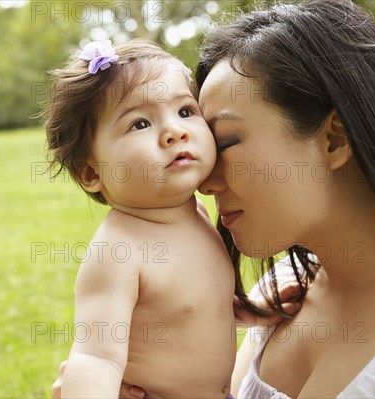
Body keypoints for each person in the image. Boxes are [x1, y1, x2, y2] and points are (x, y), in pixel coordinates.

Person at [52, 0, 375, 397]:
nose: (204, 182)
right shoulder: (286, 287)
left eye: (224, 141)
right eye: (140, 124)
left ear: (334, 138)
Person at [44, 38, 238, 398]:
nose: (175, 132)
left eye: (184, 111)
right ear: (90, 172)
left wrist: (250, 311)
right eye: (140, 124)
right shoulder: (119, 250)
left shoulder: (196, 213)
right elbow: (95, 358)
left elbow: (187, 310)